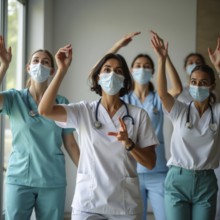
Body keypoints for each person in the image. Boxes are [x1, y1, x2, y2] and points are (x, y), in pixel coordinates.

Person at [38, 44, 159, 220]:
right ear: (98, 77)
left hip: (124, 205)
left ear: (125, 79)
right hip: (89, 203)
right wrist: (62, 70)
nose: (112, 75)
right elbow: (45, 110)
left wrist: (129, 144)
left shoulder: (137, 115)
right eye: (107, 70)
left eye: (118, 71)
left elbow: (150, 163)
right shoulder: (83, 110)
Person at [103, 31, 182, 220]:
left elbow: (177, 88)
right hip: (130, 171)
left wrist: (164, 57)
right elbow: (103, 68)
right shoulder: (124, 99)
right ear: (130, 70)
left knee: (165, 216)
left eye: (147, 66)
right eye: (138, 66)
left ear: (153, 72)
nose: (142, 69)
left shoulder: (158, 100)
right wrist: (118, 46)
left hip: (158, 171)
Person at [0, 35, 80, 220]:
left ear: (52, 70)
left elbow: (71, 144)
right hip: (19, 179)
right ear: (28, 68)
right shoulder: (14, 98)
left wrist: (89, 171)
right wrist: (4, 66)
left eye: (45, 62)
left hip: (52, 179)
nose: (39, 65)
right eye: (35, 61)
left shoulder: (61, 102)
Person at [152, 33, 220, 220]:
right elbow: (163, 93)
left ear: (212, 86)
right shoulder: (180, 110)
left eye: (203, 83)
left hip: (206, 181)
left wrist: (219, 68)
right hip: (177, 180)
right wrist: (162, 59)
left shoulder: (217, 113)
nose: (197, 86)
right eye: (193, 82)